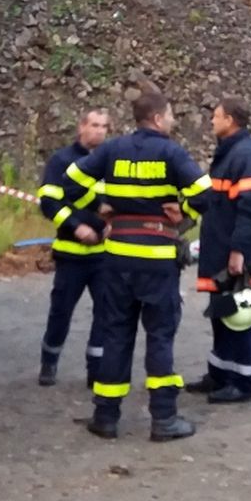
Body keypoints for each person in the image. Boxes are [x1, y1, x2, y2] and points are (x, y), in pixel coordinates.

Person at [50, 91, 212, 441]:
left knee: (116, 335)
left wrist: (102, 206)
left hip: (117, 257)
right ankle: (164, 419)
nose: (172, 121)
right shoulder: (171, 152)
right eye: (169, 116)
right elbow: (205, 192)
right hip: (157, 260)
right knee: (159, 337)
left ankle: (106, 417)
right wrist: (184, 216)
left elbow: (69, 180)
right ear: (156, 118)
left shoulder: (112, 149)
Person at [187, 97, 251, 404]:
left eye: (216, 117)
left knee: (242, 313)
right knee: (222, 311)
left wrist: (238, 251)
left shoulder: (245, 156)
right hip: (221, 246)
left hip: (238, 251)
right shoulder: (230, 152)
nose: (212, 122)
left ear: (230, 120)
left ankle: (244, 383)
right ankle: (219, 374)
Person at [35, 108, 112, 388]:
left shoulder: (111, 163)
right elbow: (49, 203)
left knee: (105, 314)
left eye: (104, 126)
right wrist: (77, 227)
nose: (99, 131)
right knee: (61, 311)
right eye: (94, 125)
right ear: (81, 127)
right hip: (71, 252)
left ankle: (97, 369)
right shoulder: (62, 161)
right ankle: (49, 361)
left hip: (104, 255)